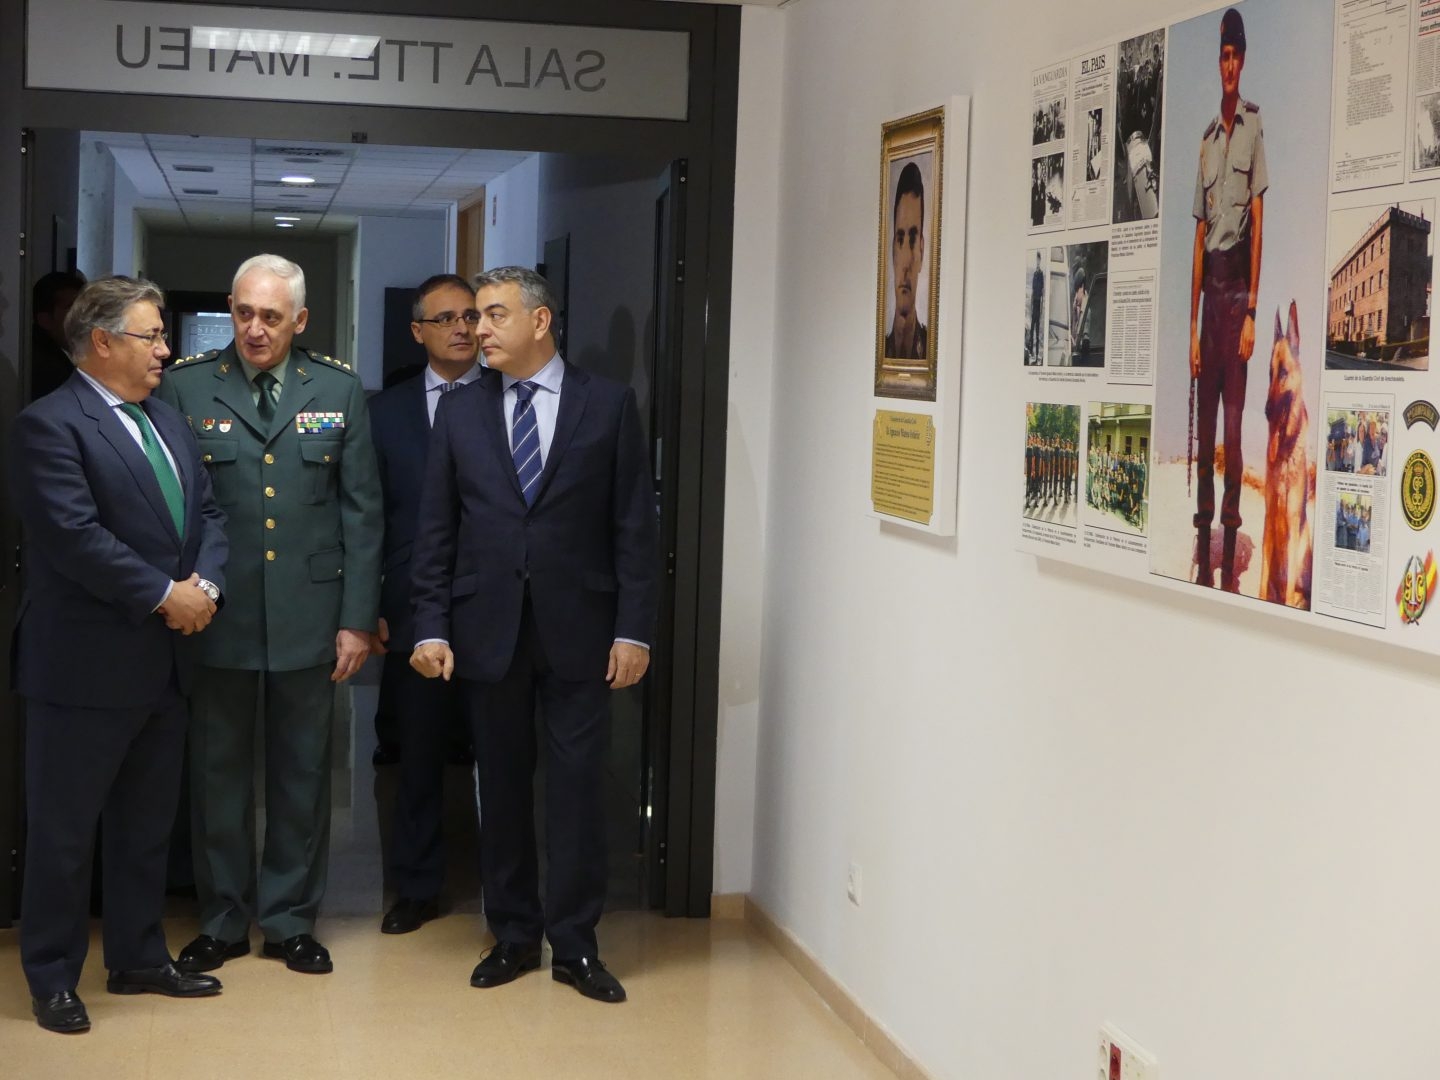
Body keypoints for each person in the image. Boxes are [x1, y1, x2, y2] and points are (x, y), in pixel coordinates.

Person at [409, 266, 657, 1004]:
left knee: (578, 792)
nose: (475, 331)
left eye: (492, 316)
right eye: (474, 318)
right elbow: (435, 530)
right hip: (487, 629)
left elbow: (633, 530)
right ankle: (513, 933)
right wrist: (430, 623)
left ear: (540, 321)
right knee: (504, 788)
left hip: (581, 630)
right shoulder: (459, 412)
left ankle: (575, 945)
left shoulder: (607, 405)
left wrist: (634, 631)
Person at [9, 276, 229, 1033]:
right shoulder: (50, 425)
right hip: (83, 669)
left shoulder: (164, 420)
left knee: (144, 827)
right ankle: (52, 975)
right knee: (66, 834)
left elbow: (205, 511)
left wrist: (205, 583)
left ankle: (138, 957)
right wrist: (165, 596)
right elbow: (74, 539)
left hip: (164, 665)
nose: (166, 349)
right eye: (152, 336)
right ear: (102, 342)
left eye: (163, 335)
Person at [156, 254, 383, 976]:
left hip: (310, 616)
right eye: (245, 313)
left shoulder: (338, 389)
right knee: (217, 775)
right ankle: (222, 918)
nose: (255, 330)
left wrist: (356, 618)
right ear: (231, 307)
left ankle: (288, 920)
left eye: (272, 317)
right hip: (215, 615)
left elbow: (363, 512)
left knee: (301, 774)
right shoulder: (187, 384)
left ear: (300, 321)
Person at [367, 274, 483, 935]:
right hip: (413, 605)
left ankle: (512, 888)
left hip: (496, 605)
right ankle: (416, 886)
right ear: (419, 332)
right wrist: (371, 603)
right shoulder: (386, 413)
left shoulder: (510, 399)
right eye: (445, 319)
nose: (462, 328)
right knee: (418, 756)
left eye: (470, 316)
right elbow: (370, 516)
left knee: (501, 752)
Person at [1189, 7, 1266, 591]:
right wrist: (1193, 325)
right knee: (1205, 426)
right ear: (1218, 62)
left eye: (1237, 55)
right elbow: (1197, 237)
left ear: (1244, 60)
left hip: (1238, 293)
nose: (1231, 65)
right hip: (1208, 299)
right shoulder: (1205, 141)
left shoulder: (1253, 127)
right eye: (1224, 55)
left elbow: (1259, 220)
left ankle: (1232, 537)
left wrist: (1253, 311)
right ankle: (1202, 543)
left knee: (1235, 435)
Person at [885, 161, 929, 360]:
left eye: (912, 240)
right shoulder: (881, 351)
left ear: (921, 251)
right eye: (900, 239)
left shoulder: (929, 351)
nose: (905, 262)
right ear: (893, 250)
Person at [29, 270, 87, 401]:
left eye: (85, 308)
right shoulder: (45, 369)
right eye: (72, 309)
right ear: (45, 320)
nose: (85, 317)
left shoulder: (77, 353)